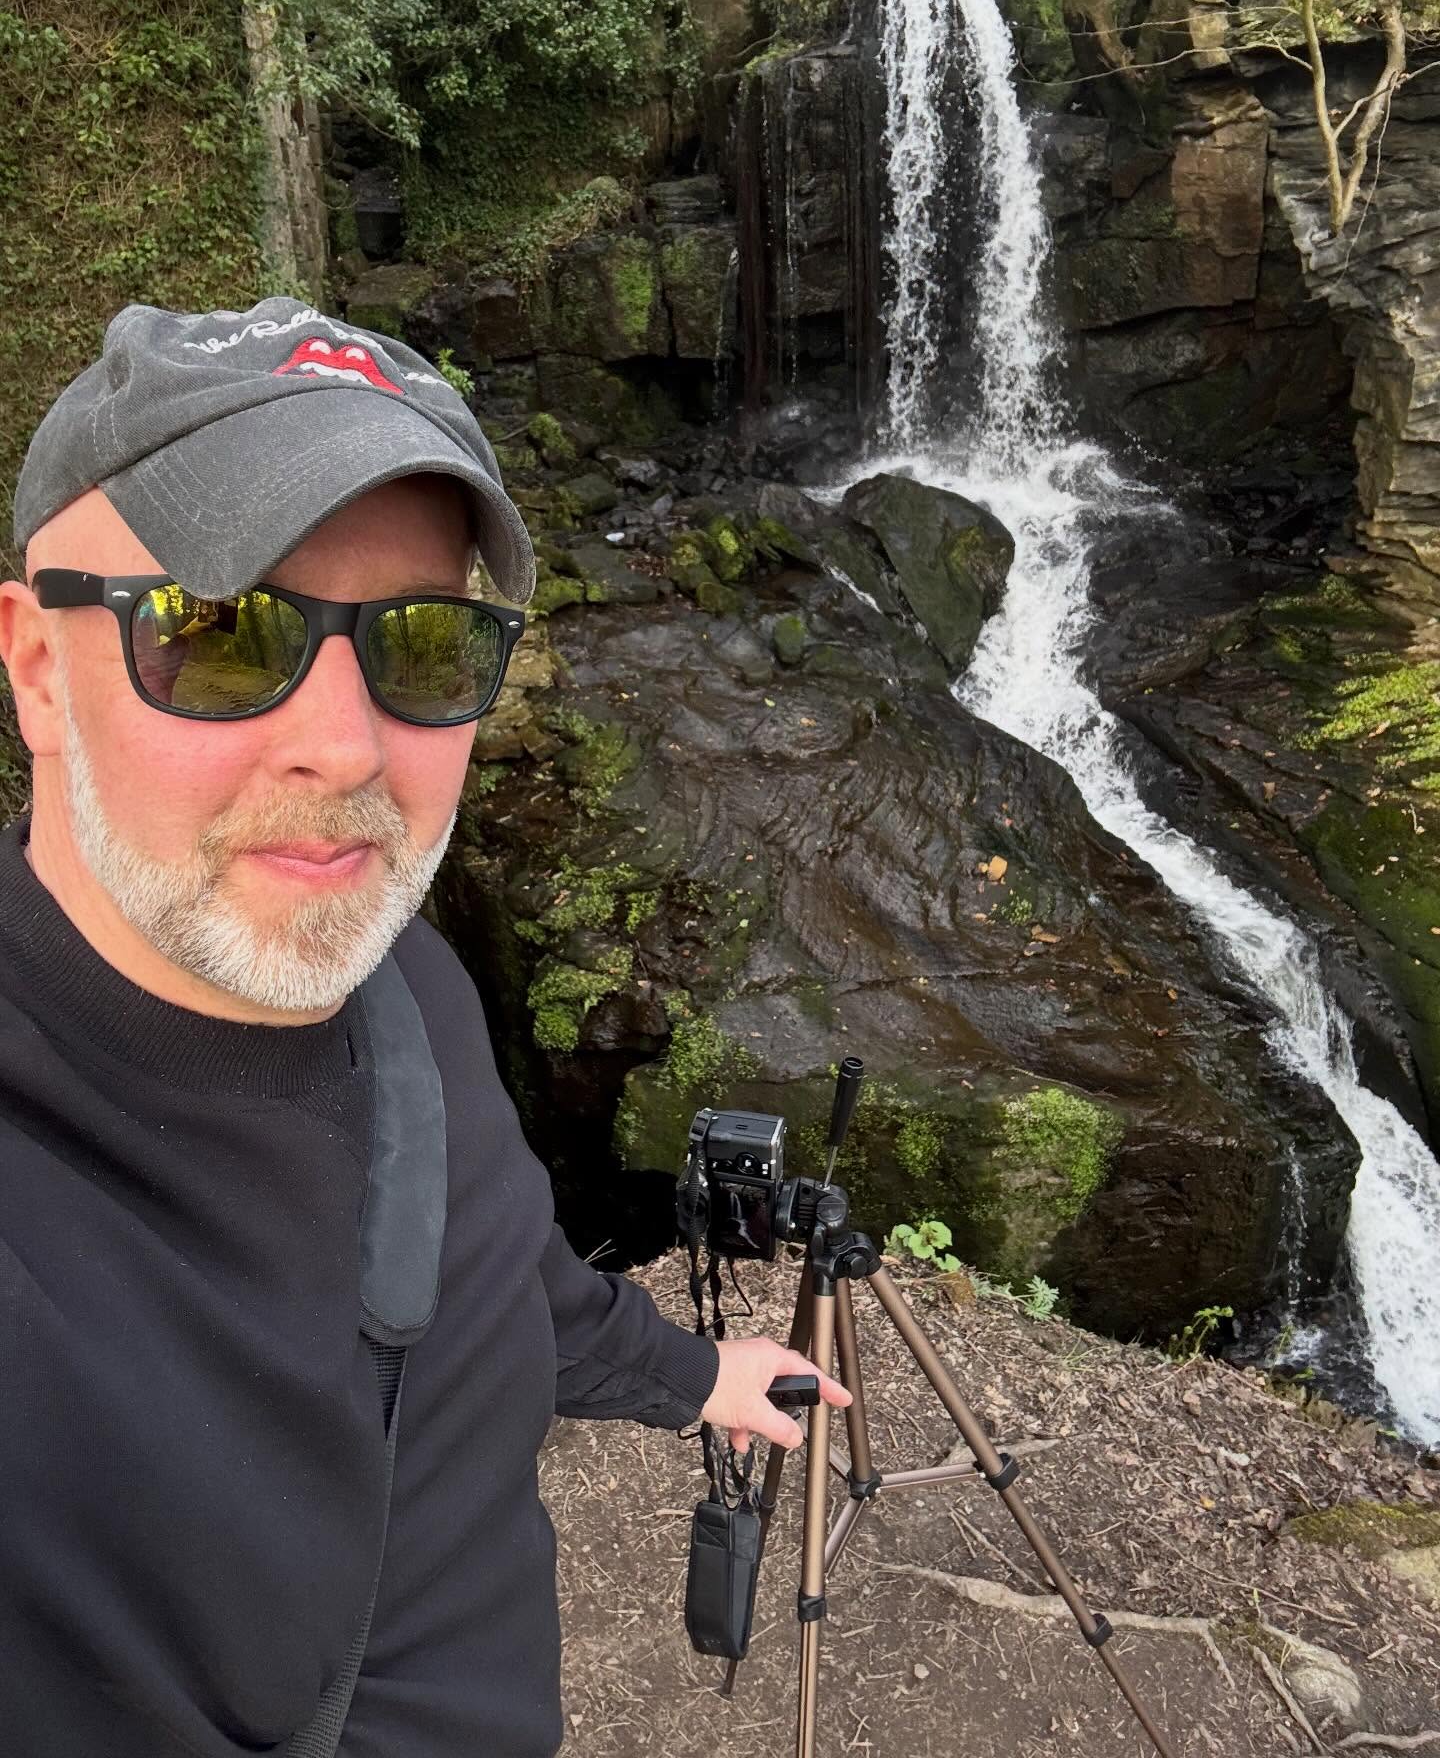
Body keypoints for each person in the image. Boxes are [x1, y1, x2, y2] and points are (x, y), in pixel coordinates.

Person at [0, 296, 848, 1757]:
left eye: (430, 646)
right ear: (35, 667)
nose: (343, 747)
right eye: (217, 629)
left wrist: (689, 1376)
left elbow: (492, 1262)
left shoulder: (410, 995)